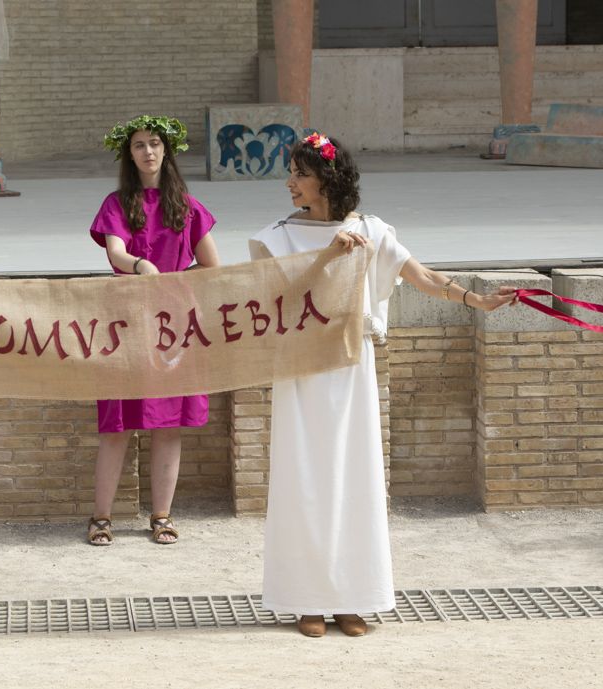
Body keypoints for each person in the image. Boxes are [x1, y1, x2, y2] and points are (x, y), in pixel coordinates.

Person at [250, 133, 516, 637]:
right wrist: (327, 256)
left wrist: (477, 301)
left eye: (299, 173)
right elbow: (272, 297)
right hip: (304, 371)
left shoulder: (372, 230)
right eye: (291, 172)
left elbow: (422, 276)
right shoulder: (277, 237)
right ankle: (307, 600)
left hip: (353, 370)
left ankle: (351, 598)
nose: (290, 182)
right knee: (305, 479)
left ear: (327, 178)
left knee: (354, 477)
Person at [86, 115, 221, 546]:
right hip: (126, 324)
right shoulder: (116, 202)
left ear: (167, 150)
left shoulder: (186, 204)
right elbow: (117, 251)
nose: (148, 151)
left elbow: (212, 265)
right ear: (129, 153)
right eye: (140, 144)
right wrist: (140, 266)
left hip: (172, 327)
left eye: (155, 143)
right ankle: (101, 517)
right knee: (117, 424)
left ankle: (162, 516)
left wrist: (179, 281)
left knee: (168, 424)